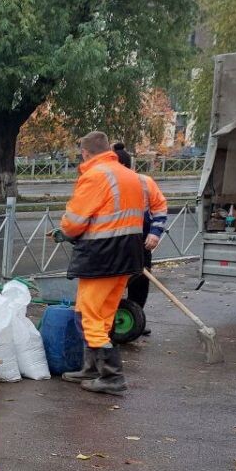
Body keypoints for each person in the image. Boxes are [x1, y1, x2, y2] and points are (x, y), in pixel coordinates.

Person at [51, 131, 146, 395]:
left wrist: (64, 232)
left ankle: (112, 376)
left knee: (88, 316)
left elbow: (75, 221)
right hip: (128, 255)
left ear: (85, 153)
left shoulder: (94, 176)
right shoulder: (129, 175)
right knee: (103, 315)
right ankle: (91, 368)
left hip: (102, 255)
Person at [113, 145, 168, 313]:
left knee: (140, 280)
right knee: (112, 283)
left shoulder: (144, 182)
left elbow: (159, 208)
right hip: (113, 241)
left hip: (140, 240)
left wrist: (154, 233)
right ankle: (110, 322)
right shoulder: (105, 182)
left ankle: (135, 318)